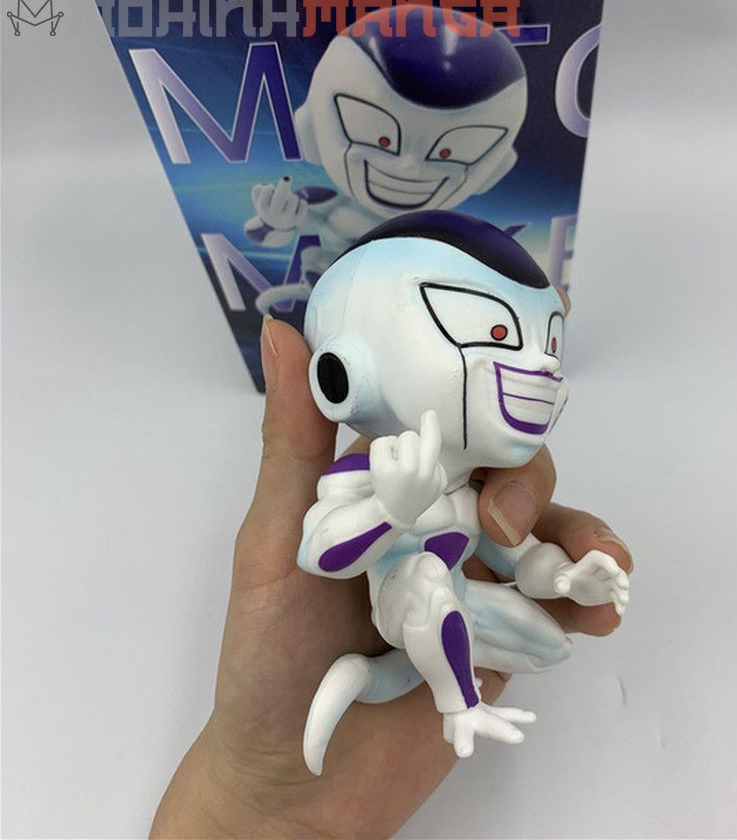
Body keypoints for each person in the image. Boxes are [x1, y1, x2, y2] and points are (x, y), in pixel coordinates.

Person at [149, 318, 633, 838]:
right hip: (402, 604)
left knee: (551, 645)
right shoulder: (362, 477)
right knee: (426, 574)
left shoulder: (473, 493)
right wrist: (391, 510)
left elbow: (522, 560)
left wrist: (568, 578)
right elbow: (321, 552)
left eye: (549, 345)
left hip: (461, 610)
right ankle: (457, 701)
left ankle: (431, 668)